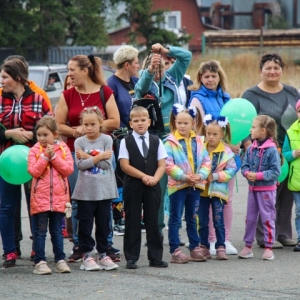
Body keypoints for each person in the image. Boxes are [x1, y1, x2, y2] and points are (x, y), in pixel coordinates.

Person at [55, 54, 120, 262]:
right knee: (78, 200)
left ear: (85, 70)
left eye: (72, 69)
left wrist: (93, 127)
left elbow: (115, 121)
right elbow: (59, 126)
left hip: (103, 152)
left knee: (104, 198)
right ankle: (79, 245)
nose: (69, 74)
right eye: (68, 69)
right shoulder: (67, 95)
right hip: (76, 153)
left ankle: (106, 245)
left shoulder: (104, 92)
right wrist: (78, 132)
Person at [135, 43, 192, 240]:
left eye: (162, 65)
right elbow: (140, 89)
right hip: (152, 139)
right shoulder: (144, 80)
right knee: (157, 188)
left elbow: (186, 56)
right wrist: (150, 70)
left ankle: (175, 231)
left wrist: (166, 50)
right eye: (154, 66)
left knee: (178, 185)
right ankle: (156, 230)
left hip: (173, 138)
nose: (159, 69)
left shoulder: (173, 77)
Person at [242, 53, 300, 248]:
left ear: (282, 70)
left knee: (286, 195)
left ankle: (283, 234)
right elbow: (243, 124)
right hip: (263, 152)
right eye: (268, 68)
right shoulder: (251, 95)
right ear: (260, 71)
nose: (272, 71)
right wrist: (248, 146)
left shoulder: (293, 92)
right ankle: (264, 236)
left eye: (276, 68)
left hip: (289, 151)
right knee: (266, 195)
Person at [0, 55, 52, 261]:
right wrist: (9, 134)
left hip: (34, 162)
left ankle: (36, 249)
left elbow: (50, 128)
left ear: (18, 77)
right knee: (6, 207)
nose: (1, 81)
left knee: (36, 206)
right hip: (6, 164)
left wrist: (31, 135)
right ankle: (10, 250)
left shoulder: (39, 99)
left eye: (5, 77)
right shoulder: (0, 99)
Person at [188, 60, 239, 255]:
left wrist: (236, 145)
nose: (210, 79)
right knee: (207, 200)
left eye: (214, 76)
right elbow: (198, 131)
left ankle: (224, 239)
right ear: (200, 78)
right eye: (206, 76)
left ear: (220, 77)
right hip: (207, 157)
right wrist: (225, 145)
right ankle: (209, 240)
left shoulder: (226, 98)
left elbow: (234, 126)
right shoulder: (196, 99)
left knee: (226, 199)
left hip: (227, 158)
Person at [119, 106, 168, 269]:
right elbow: (125, 166)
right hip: (133, 186)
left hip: (153, 185)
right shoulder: (126, 142)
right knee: (132, 220)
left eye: (143, 120)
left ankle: (155, 257)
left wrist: (155, 178)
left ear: (149, 121)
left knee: (153, 220)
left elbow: (162, 164)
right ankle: (131, 257)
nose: (140, 123)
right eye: (136, 121)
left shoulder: (156, 141)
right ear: (130, 123)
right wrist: (143, 176)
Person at [72, 107, 119, 271]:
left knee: (104, 224)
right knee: (85, 224)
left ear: (100, 123)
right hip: (85, 191)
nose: (89, 128)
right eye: (86, 124)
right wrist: (98, 157)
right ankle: (86, 254)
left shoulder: (107, 140)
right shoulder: (79, 142)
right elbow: (80, 165)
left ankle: (103, 253)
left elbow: (107, 165)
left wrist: (88, 157)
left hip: (104, 191)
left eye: (93, 124)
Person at [164, 104, 211, 263]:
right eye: (179, 123)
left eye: (186, 123)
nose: (182, 126)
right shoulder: (170, 142)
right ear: (174, 123)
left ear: (193, 124)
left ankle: (194, 247)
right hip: (178, 186)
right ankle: (175, 249)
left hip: (195, 185)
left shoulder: (199, 141)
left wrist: (201, 175)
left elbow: (206, 160)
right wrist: (184, 177)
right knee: (175, 218)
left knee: (192, 216)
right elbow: (168, 164)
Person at [28, 116, 73, 274]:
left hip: (59, 198)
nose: (42, 138)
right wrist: (45, 157)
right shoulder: (34, 150)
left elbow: (68, 170)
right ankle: (40, 261)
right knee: (40, 232)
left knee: (57, 231)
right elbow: (34, 171)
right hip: (40, 199)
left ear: (55, 134)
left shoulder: (63, 149)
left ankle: (60, 259)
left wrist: (54, 156)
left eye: (45, 135)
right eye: (39, 135)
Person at [107, 45, 140, 238]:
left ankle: (134, 214)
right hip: (118, 138)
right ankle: (118, 217)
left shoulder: (136, 82)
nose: (138, 66)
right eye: (136, 63)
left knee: (135, 177)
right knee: (120, 177)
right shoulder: (111, 85)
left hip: (136, 136)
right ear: (127, 65)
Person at [239, 115, 281, 260]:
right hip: (252, 190)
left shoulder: (272, 150)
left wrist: (257, 176)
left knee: (267, 217)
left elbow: (276, 172)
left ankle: (269, 246)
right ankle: (248, 246)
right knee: (250, 218)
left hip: (267, 191)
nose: (250, 129)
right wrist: (246, 173)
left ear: (263, 131)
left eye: (253, 127)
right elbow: (244, 165)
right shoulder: (251, 148)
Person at [199, 114, 237, 261]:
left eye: (215, 134)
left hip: (218, 192)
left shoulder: (226, 152)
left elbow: (231, 170)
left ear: (222, 134)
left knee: (218, 220)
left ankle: (221, 246)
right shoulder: (201, 149)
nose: (211, 137)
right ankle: (204, 246)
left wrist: (215, 176)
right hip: (202, 191)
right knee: (202, 220)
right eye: (208, 133)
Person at [282, 99, 300, 252]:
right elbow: (285, 154)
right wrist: (294, 153)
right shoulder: (290, 131)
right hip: (296, 180)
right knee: (299, 211)